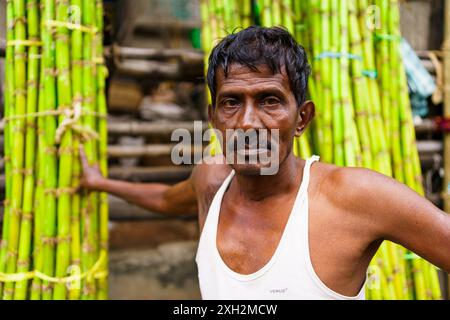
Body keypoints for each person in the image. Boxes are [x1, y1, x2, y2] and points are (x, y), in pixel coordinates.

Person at [80, 26, 450, 300]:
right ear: (213, 117)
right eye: (231, 102)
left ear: (302, 118)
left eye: (270, 100)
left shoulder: (351, 197)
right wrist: (101, 183)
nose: (247, 122)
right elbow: (165, 199)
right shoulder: (211, 181)